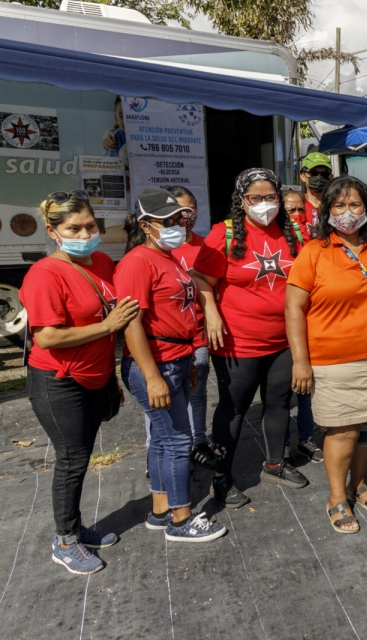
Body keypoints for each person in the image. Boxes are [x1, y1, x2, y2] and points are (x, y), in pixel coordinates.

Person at [20, 190, 140, 574]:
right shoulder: (45, 274)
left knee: (82, 456)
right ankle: (65, 539)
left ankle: (77, 528)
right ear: (53, 231)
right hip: (59, 381)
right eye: (74, 227)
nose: (85, 233)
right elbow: (48, 337)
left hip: (95, 376)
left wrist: (109, 378)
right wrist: (106, 326)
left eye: (90, 225)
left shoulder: (102, 260)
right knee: (71, 461)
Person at [286, 175, 367, 534]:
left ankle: (359, 483)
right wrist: (300, 361)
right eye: (338, 205)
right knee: (343, 431)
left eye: (354, 204)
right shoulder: (314, 252)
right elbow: (294, 307)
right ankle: (337, 496)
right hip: (335, 360)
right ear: (326, 211)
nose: (347, 212)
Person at [191, 169, 309, 509]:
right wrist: (211, 310)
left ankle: (275, 463)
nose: (264, 205)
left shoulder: (295, 233)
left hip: (285, 340)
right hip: (237, 341)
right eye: (255, 198)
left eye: (270, 198)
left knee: (279, 403)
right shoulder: (223, 234)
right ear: (242, 201)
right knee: (234, 409)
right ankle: (222, 478)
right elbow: (199, 278)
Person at [116, 188, 227, 543]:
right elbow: (132, 324)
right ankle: (181, 520)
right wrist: (152, 376)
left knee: (165, 442)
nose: (176, 225)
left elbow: (181, 311)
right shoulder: (137, 262)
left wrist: (188, 357)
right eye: (166, 221)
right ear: (146, 225)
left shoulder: (171, 257)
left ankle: (160, 511)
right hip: (155, 364)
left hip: (176, 359)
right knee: (178, 441)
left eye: (178, 218)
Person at [141, 186, 218, 473]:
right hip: (164, 342)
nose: (184, 218)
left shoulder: (205, 245)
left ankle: (198, 442)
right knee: (162, 401)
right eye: (176, 213)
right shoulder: (153, 249)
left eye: (189, 212)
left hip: (196, 336)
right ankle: (157, 452)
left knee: (197, 394)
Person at [281, 188, 323, 463]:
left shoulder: (311, 241)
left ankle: (305, 438)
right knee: (281, 392)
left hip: (308, 324)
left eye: (300, 210)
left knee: (306, 386)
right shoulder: (273, 240)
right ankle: (280, 444)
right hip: (276, 327)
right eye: (290, 210)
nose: (297, 215)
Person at [298, 152, 332, 227]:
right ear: (303, 176)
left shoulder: (335, 204)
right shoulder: (296, 204)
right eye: (314, 173)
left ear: (331, 177)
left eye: (325, 173)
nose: (319, 177)